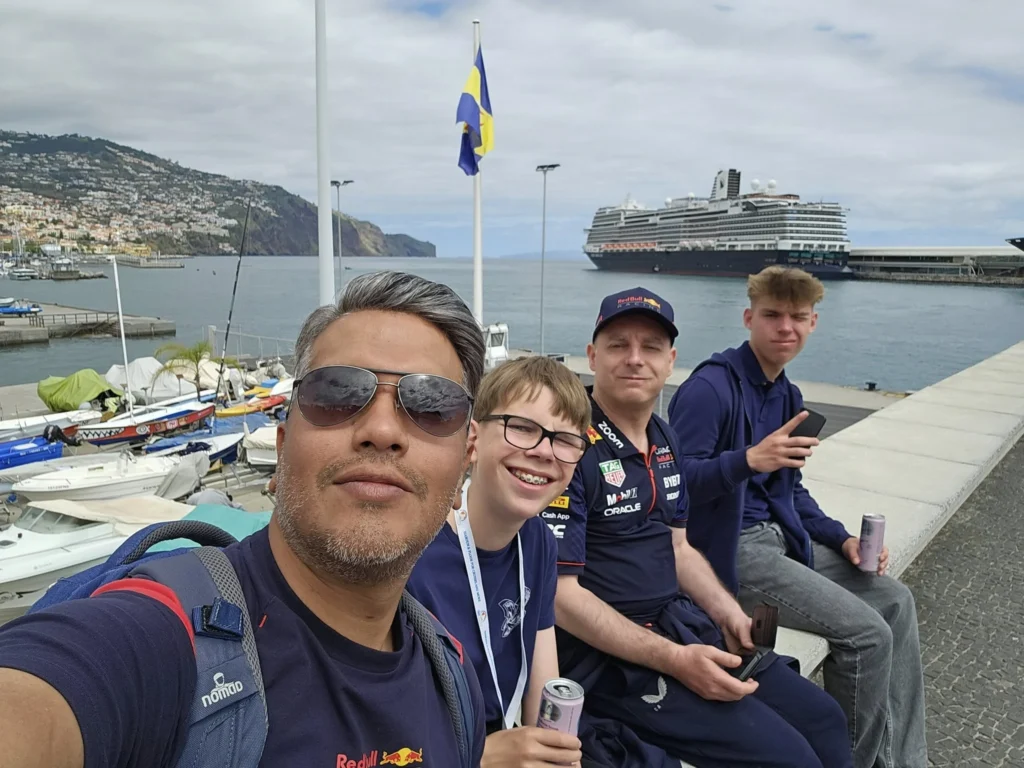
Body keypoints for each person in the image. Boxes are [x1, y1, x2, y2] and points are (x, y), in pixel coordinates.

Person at [0, 271, 487, 768]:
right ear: (281, 450)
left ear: (464, 465)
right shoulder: (163, 638)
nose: (382, 430)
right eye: (337, 392)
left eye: (431, 404)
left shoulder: (452, 680)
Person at [549, 287, 853, 768]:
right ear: (592, 356)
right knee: (788, 758)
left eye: (650, 348)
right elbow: (560, 595)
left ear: (670, 361)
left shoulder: (664, 436)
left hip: (680, 626)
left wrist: (730, 616)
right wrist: (674, 661)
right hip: (610, 659)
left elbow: (680, 547)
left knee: (824, 719)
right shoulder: (568, 446)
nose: (634, 359)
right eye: (617, 345)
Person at [667, 265, 927, 768]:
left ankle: (904, 760)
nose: (785, 327)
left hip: (783, 540)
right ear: (748, 318)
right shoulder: (711, 388)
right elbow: (674, 484)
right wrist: (747, 460)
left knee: (896, 601)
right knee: (867, 636)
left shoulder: (787, 395)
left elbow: (793, 492)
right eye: (773, 315)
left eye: (798, 317)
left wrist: (843, 538)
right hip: (731, 550)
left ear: (813, 324)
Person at [407, 355, 587, 767]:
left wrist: (551, 750)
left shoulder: (538, 540)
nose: (544, 452)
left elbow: (543, 677)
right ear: (472, 438)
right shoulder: (413, 556)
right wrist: (482, 756)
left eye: (564, 440)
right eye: (522, 428)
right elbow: (382, 731)